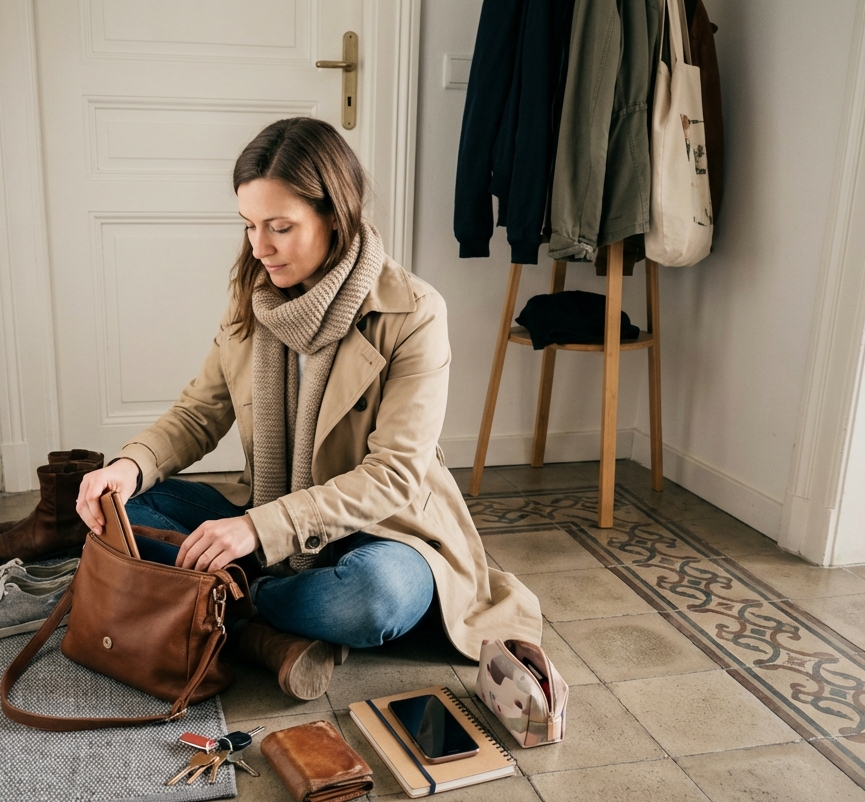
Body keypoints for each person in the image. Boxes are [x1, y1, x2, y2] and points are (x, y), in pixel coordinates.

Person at [76, 118, 541, 701]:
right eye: (249, 226)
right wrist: (129, 467)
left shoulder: (414, 312)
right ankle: (267, 623)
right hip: (273, 513)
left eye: (280, 227)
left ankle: (231, 602)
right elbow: (199, 414)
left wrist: (256, 530)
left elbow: (393, 475)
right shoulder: (253, 295)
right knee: (120, 508)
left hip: (383, 532)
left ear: (333, 216)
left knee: (375, 600)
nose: (259, 247)